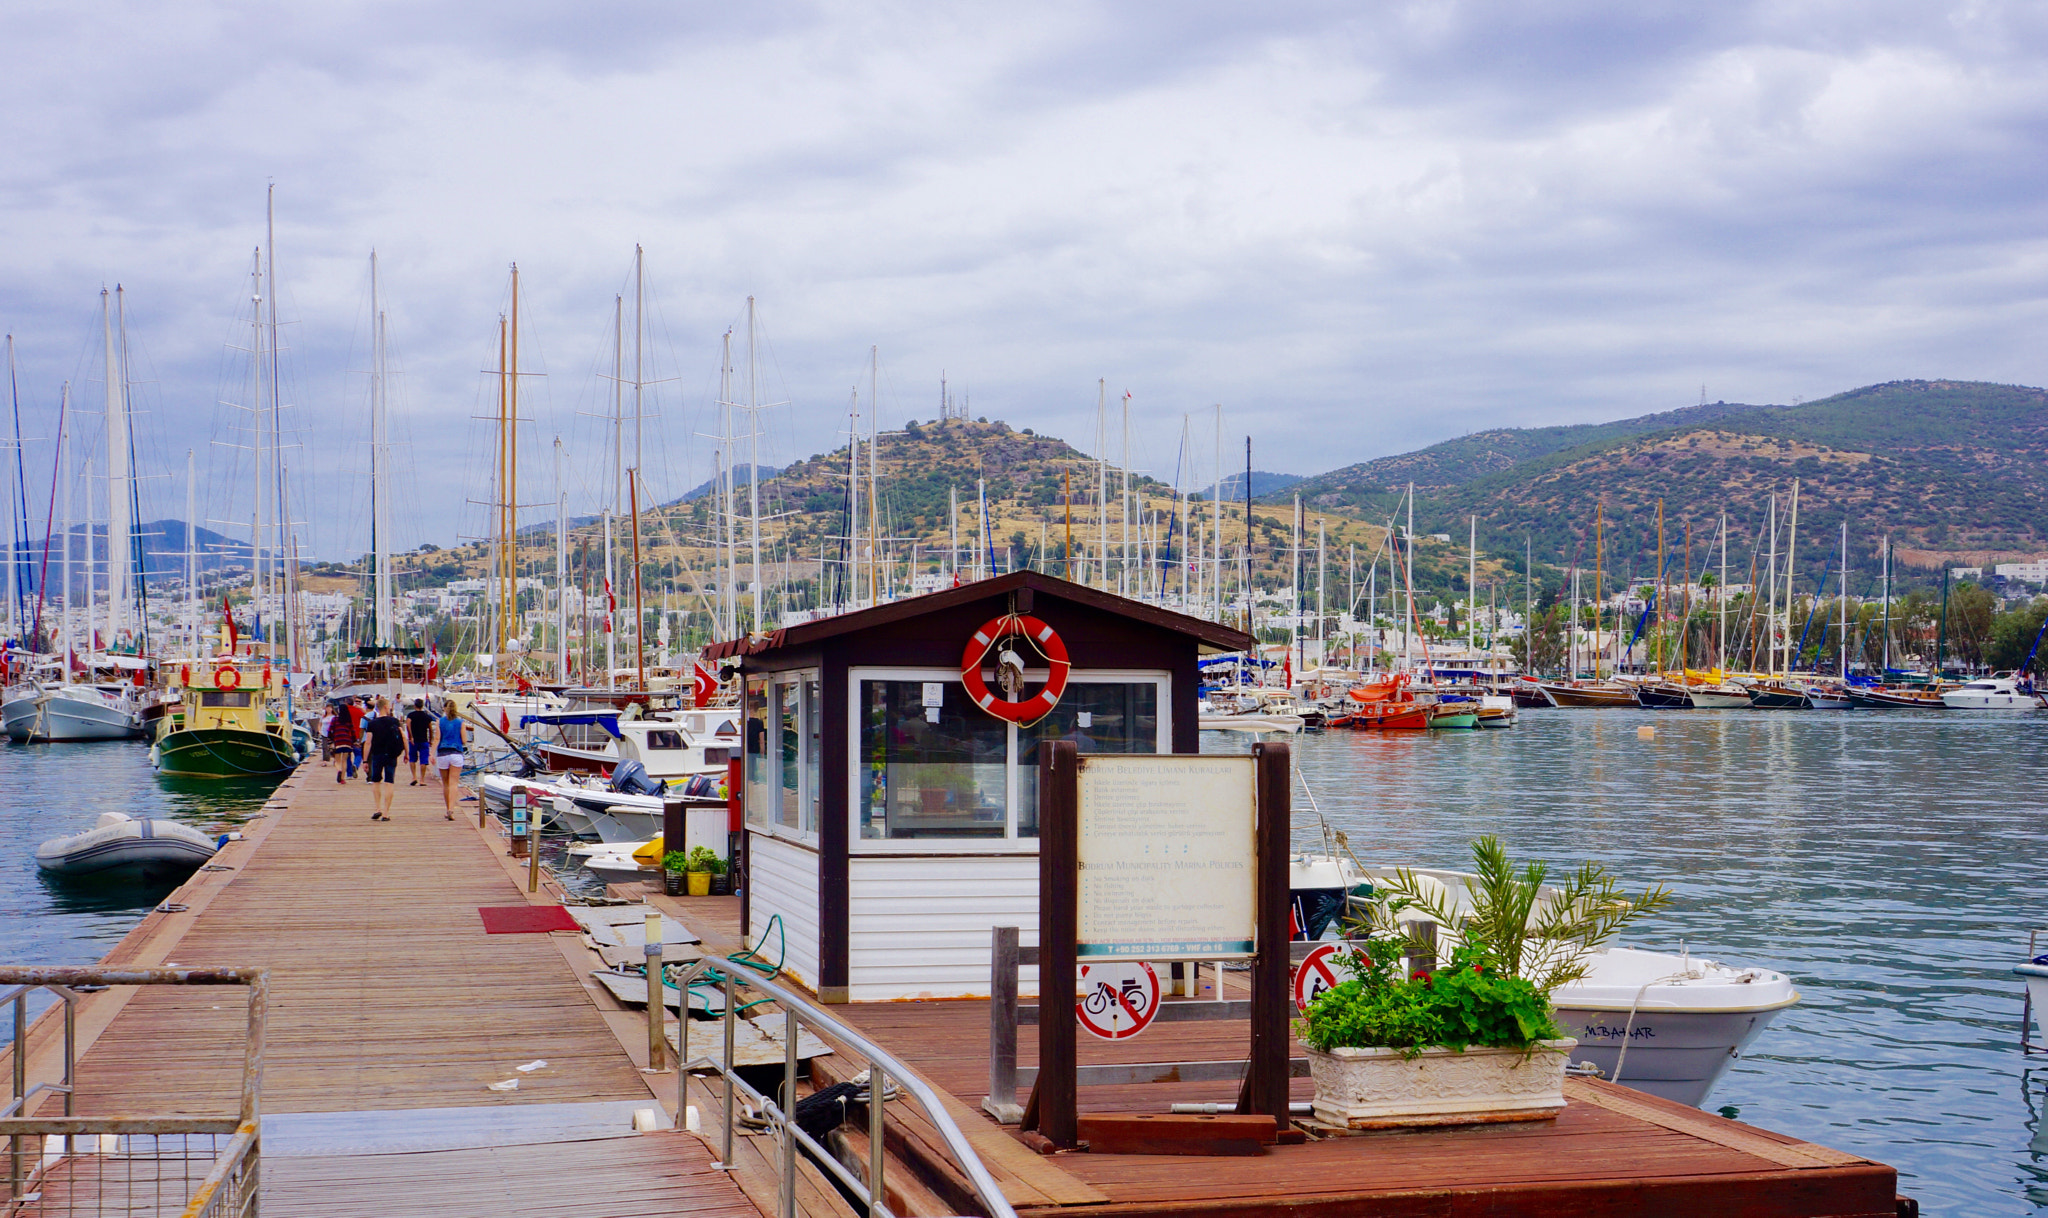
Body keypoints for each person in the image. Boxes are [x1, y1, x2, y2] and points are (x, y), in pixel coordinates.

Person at [364, 695, 406, 820]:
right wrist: (407, 753)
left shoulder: (372, 724)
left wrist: (365, 760)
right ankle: (386, 813)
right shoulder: (394, 721)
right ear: (386, 707)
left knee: (376, 781)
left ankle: (378, 808)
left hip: (377, 755)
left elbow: (368, 742)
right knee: (389, 782)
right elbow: (403, 737)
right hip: (391, 754)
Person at [434, 696, 466, 820]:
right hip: (456, 753)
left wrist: (432, 754)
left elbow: (437, 738)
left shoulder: (439, 722)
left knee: (446, 784)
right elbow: (464, 740)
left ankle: (447, 808)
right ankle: (451, 809)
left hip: (443, 753)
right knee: (454, 784)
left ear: (445, 709)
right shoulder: (461, 723)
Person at [405, 697, 435, 785]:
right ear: (422, 706)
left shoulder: (410, 715)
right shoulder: (427, 717)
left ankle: (414, 777)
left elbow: (408, 725)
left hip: (414, 740)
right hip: (424, 740)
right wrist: (430, 740)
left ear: (415, 706)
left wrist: (410, 736)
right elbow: (430, 729)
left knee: (412, 759)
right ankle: (422, 779)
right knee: (423, 760)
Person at [327, 701, 359, 784]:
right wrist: (354, 741)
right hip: (347, 741)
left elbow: (330, 730)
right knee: (344, 760)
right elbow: (352, 731)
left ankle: (339, 770)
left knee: (337, 761)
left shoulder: (335, 719)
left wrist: (330, 739)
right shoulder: (348, 720)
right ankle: (342, 779)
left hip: (338, 741)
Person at [344, 697, 367, 778]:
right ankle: (355, 765)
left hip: (346, 736)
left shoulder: (344, 712)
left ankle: (349, 774)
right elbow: (366, 717)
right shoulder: (358, 711)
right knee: (359, 754)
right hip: (357, 735)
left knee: (347, 755)